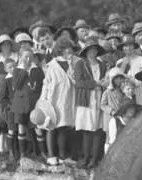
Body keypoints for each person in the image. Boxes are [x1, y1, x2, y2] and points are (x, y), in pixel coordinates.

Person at [40, 37, 76, 166]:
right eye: (68, 48)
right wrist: (43, 100)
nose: (70, 51)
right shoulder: (52, 65)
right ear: (62, 50)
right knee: (51, 127)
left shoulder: (73, 63)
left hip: (67, 99)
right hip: (53, 99)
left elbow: (75, 80)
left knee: (63, 127)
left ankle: (62, 156)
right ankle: (51, 156)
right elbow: (46, 83)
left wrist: (72, 66)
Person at [74, 36, 107, 170]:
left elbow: (105, 80)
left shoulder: (102, 65)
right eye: (90, 49)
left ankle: (94, 159)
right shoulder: (80, 64)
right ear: (86, 51)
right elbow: (78, 82)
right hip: (86, 99)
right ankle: (86, 157)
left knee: (97, 130)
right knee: (87, 130)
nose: (92, 52)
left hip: (99, 97)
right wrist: (95, 83)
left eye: (94, 49)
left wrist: (104, 83)